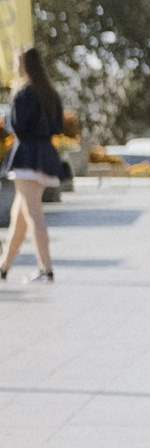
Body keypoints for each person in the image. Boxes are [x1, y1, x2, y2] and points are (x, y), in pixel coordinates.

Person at [3, 47, 65, 286]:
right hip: (45, 154)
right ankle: (4, 266)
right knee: (19, 214)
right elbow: (58, 125)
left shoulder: (25, 93)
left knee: (32, 213)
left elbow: (16, 125)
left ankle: (45, 268)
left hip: (27, 156)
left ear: (25, 65)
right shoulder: (49, 92)